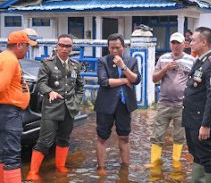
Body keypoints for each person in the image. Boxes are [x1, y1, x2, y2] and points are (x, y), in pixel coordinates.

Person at [26, 34, 84, 181]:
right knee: (45, 141)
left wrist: (76, 102)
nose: (64, 49)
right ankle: (33, 171)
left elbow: (80, 87)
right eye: (62, 45)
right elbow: (41, 83)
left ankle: (60, 166)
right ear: (57, 46)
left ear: (72, 48)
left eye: (68, 46)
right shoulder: (48, 63)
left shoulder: (75, 65)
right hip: (51, 109)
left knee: (64, 139)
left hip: (69, 109)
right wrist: (50, 91)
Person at [145, 32, 195, 170]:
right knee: (157, 134)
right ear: (170, 44)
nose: (176, 46)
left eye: (178, 43)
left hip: (182, 105)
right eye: (173, 42)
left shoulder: (191, 60)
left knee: (179, 135)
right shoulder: (163, 58)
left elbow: (195, 81)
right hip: (164, 103)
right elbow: (154, 79)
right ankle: (155, 162)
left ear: (184, 44)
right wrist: (165, 68)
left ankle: (176, 162)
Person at [95, 33, 141, 176]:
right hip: (105, 104)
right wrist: (124, 81)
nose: (114, 51)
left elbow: (136, 79)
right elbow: (104, 81)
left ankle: (125, 167)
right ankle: (101, 167)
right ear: (108, 48)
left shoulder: (132, 60)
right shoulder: (103, 61)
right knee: (102, 136)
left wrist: (123, 67)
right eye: (111, 48)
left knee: (124, 136)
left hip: (124, 104)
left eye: (117, 47)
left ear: (124, 47)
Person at [182, 27, 211, 182]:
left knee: (208, 156)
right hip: (191, 118)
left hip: (200, 120)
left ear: (204, 42)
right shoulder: (200, 61)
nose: (190, 43)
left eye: (194, 40)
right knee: (197, 154)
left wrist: (206, 124)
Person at [0, 30, 37, 183]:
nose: (28, 50)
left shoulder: (5, 57)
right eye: (27, 46)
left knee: (3, 153)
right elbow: (1, 85)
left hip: (6, 111)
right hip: (9, 112)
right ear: (20, 45)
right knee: (12, 156)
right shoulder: (10, 60)